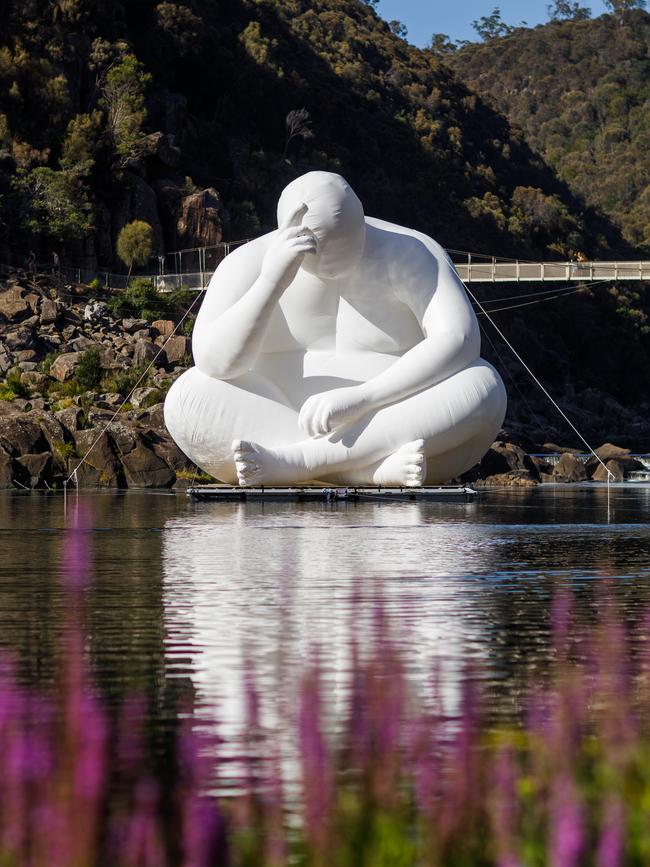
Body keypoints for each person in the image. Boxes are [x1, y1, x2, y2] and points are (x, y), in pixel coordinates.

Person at [164, 172, 507, 486]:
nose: (332, 259)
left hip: (392, 420)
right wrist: (271, 282)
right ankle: (365, 471)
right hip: (285, 427)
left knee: (483, 384)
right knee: (187, 396)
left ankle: (306, 463)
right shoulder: (248, 262)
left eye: (346, 242)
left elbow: (459, 339)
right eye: (318, 249)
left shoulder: (411, 252)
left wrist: (364, 397)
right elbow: (214, 362)